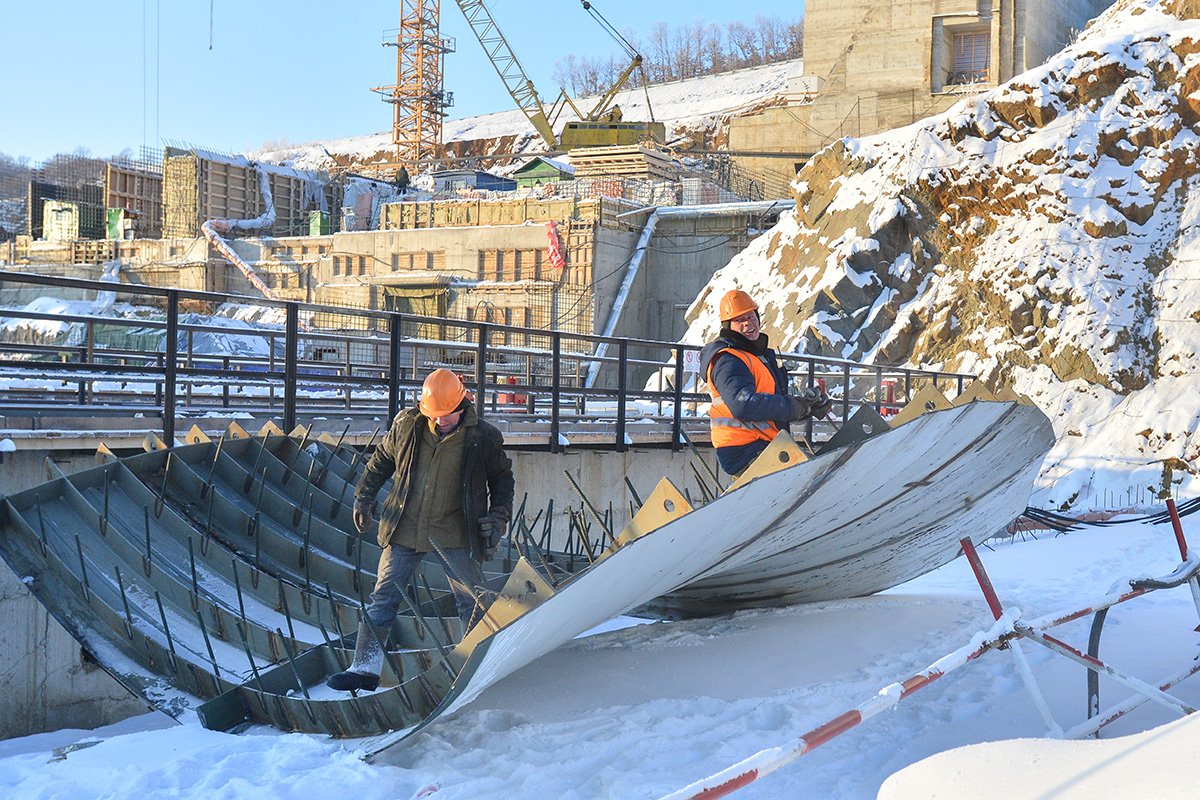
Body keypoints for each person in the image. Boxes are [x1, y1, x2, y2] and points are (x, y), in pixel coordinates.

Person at [327, 368, 515, 692]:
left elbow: (502, 481)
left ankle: (476, 667)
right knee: (383, 597)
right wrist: (364, 497)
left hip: (456, 531)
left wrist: (498, 517)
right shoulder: (408, 426)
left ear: (461, 405)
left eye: (446, 415)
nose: (439, 421)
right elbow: (381, 461)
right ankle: (364, 668)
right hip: (405, 526)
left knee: (472, 599)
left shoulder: (482, 437)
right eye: (434, 415)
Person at [700, 290, 833, 477]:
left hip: (764, 447)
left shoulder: (756, 357)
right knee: (816, 479)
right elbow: (743, 404)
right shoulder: (728, 360)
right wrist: (793, 407)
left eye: (750, 316)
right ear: (728, 326)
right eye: (739, 320)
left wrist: (807, 407)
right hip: (746, 452)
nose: (748, 323)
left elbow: (771, 408)